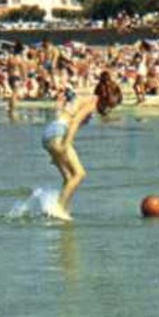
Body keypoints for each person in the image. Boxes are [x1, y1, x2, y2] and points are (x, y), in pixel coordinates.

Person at [40, 80, 106, 221]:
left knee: (69, 178)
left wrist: (56, 153)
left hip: (50, 133)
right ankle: (57, 210)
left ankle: (62, 210)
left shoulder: (86, 97)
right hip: (59, 133)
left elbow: (65, 114)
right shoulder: (93, 102)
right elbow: (75, 121)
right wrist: (65, 145)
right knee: (79, 174)